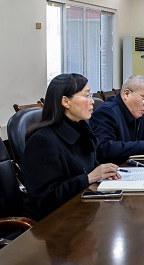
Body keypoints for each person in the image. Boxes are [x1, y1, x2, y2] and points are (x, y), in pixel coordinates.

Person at [21, 73, 120, 221]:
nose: (92, 101)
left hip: (81, 209)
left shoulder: (81, 129)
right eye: (86, 96)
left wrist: (103, 172)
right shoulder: (42, 141)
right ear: (65, 101)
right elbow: (45, 198)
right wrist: (90, 177)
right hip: (53, 221)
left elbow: (90, 166)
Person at [89, 75, 144, 164]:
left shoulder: (138, 112)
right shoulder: (106, 112)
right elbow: (104, 147)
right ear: (127, 94)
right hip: (114, 169)